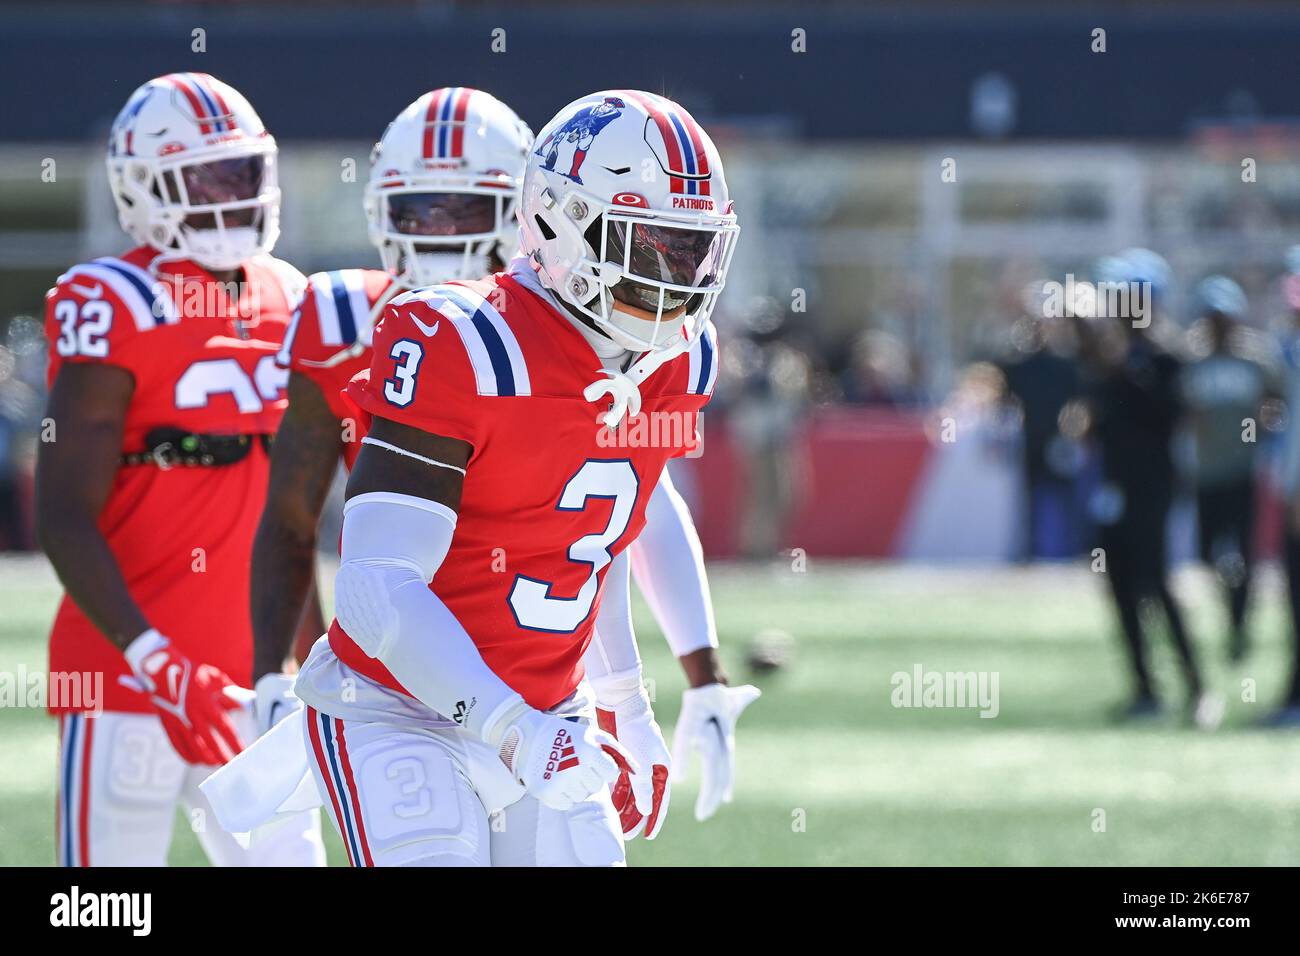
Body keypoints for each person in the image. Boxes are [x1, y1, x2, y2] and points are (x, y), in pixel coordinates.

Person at [251, 88, 757, 840]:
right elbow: (374, 588)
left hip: (551, 706)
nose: (678, 275)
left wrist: (629, 700)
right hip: (393, 709)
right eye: (652, 242)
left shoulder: (681, 358)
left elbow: (601, 535)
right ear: (562, 220)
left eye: (693, 247)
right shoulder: (457, 338)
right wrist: (513, 728)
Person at [36, 73, 324, 866]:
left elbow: (290, 517)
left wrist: (319, 663)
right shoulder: (114, 299)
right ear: (144, 184)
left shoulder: (290, 298)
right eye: (206, 177)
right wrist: (152, 657)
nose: (230, 195)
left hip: (255, 682)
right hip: (122, 680)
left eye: (242, 173)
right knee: (104, 912)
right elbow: (60, 511)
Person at [1075, 250, 1216, 727]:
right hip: (1112, 486)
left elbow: (1168, 417)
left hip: (1151, 487)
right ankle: (1144, 688)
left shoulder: (1166, 356)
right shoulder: (1109, 356)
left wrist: (1123, 369)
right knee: (1117, 585)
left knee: (1155, 583)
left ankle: (1196, 685)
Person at [1179, 276, 1279, 662]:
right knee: (1209, 555)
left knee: (1243, 557)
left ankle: (1239, 624)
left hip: (1243, 471)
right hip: (1207, 472)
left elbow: (1279, 399)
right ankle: (1229, 610)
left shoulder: (1256, 358)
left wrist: (1263, 425)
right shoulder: (1192, 359)